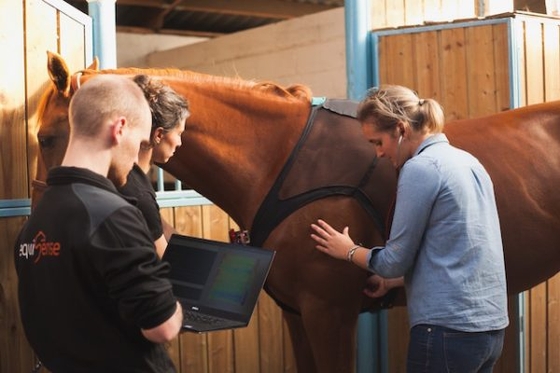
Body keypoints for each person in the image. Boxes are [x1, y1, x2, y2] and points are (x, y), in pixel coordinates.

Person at [310, 84, 509, 372]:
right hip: (489, 332)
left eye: (378, 142)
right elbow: (460, 252)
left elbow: (392, 261)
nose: (378, 154)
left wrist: (349, 250)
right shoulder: (469, 162)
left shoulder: (421, 169)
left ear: (401, 130)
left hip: (445, 332)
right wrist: (393, 283)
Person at [14, 74, 183, 372]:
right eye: (140, 142)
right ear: (119, 129)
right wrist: (179, 307)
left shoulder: (35, 223)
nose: (136, 159)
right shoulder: (113, 216)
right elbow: (163, 328)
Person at [118, 75, 190, 258]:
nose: (180, 142)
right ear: (158, 135)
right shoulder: (139, 195)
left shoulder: (119, 174)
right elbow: (164, 266)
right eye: (179, 133)